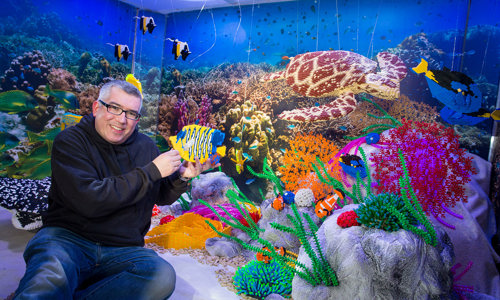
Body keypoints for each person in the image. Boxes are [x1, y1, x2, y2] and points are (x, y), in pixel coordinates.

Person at [14, 80, 215, 299]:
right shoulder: (71, 141)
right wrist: (151, 171)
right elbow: (90, 200)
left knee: (161, 277)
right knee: (48, 280)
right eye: (114, 108)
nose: (121, 120)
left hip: (123, 249)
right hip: (67, 239)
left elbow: (160, 195)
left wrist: (180, 176)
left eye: (131, 113)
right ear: (96, 108)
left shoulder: (146, 147)